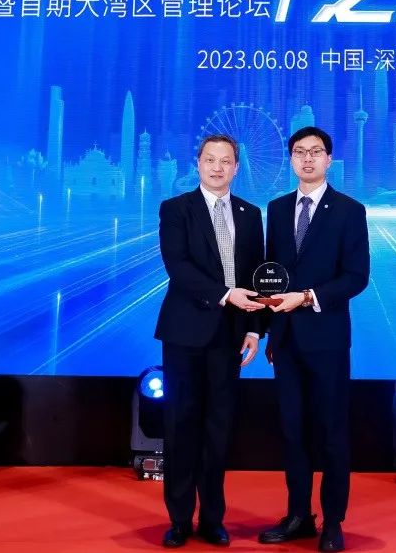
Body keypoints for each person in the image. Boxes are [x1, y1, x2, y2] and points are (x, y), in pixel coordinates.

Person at [258, 126, 370, 553]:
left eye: (316, 152)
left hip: (327, 340)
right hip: (285, 341)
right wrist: (266, 329)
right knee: (293, 432)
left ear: (329, 159)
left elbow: (356, 277)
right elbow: (270, 275)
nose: (307, 158)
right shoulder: (276, 209)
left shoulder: (349, 211)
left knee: (332, 432)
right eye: (299, 152)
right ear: (290, 159)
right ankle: (298, 516)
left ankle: (333, 522)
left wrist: (306, 297)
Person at [154, 134, 266, 547]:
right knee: (181, 426)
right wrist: (224, 294)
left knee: (219, 429)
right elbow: (178, 267)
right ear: (198, 163)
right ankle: (180, 520)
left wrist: (255, 328)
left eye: (226, 161)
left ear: (236, 167)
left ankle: (213, 519)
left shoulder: (251, 214)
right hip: (185, 333)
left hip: (231, 336)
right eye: (210, 160)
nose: (217, 168)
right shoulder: (176, 209)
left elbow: (257, 274)